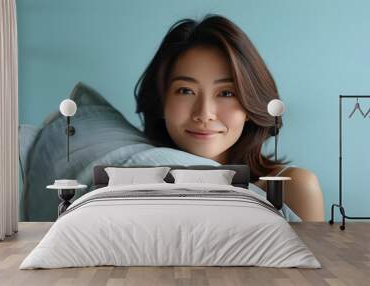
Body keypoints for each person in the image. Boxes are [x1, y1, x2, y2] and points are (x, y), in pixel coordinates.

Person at [134, 14, 324, 221]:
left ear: (250, 105)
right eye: (185, 91)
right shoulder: (133, 183)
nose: (205, 113)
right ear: (161, 102)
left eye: (226, 93)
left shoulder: (293, 187)